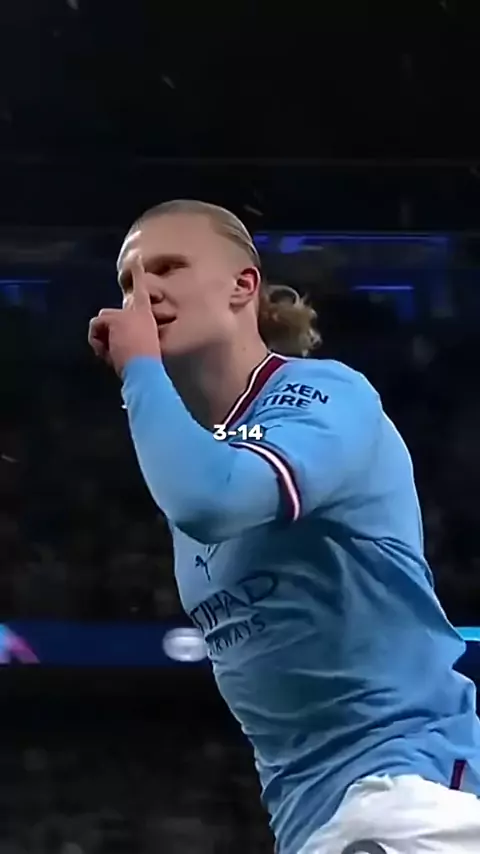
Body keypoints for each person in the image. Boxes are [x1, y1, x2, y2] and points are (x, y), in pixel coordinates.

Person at [88, 200, 480, 854]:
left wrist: (141, 373)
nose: (143, 292)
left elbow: (212, 500)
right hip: (311, 818)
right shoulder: (195, 451)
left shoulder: (325, 395)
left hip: (407, 788)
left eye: (169, 267)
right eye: (128, 281)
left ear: (243, 286)